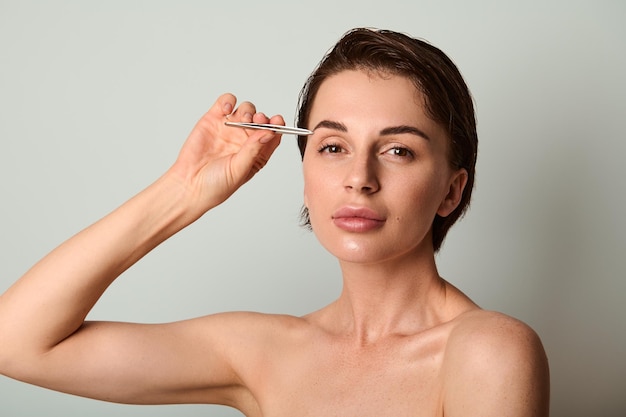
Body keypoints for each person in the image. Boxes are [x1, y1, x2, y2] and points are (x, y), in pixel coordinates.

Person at [0, 28, 550, 416]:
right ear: (306, 169)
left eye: (399, 151)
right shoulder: (262, 353)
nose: (359, 177)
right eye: (333, 146)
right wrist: (183, 192)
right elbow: (17, 343)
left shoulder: (488, 350)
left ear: (451, 191)